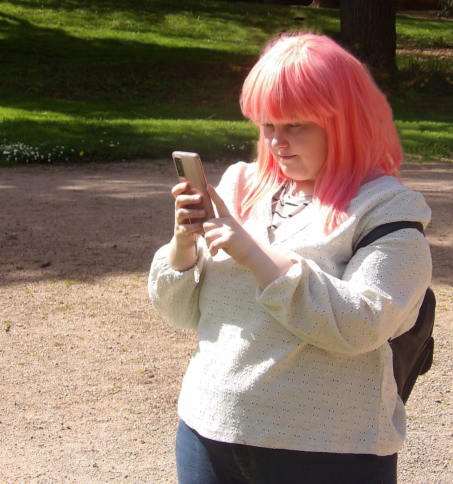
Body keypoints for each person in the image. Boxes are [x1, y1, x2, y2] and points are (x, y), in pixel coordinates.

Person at [148, 33, 432, 484]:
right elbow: (180, 312)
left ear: (344, 122)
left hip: (328, 451)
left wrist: (254, 255)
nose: (277, 141)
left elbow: (364, 323)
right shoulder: (241, 185)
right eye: (267, 125)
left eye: (295, 125)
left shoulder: (388, 209)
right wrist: (183, 244)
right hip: (207, 432)